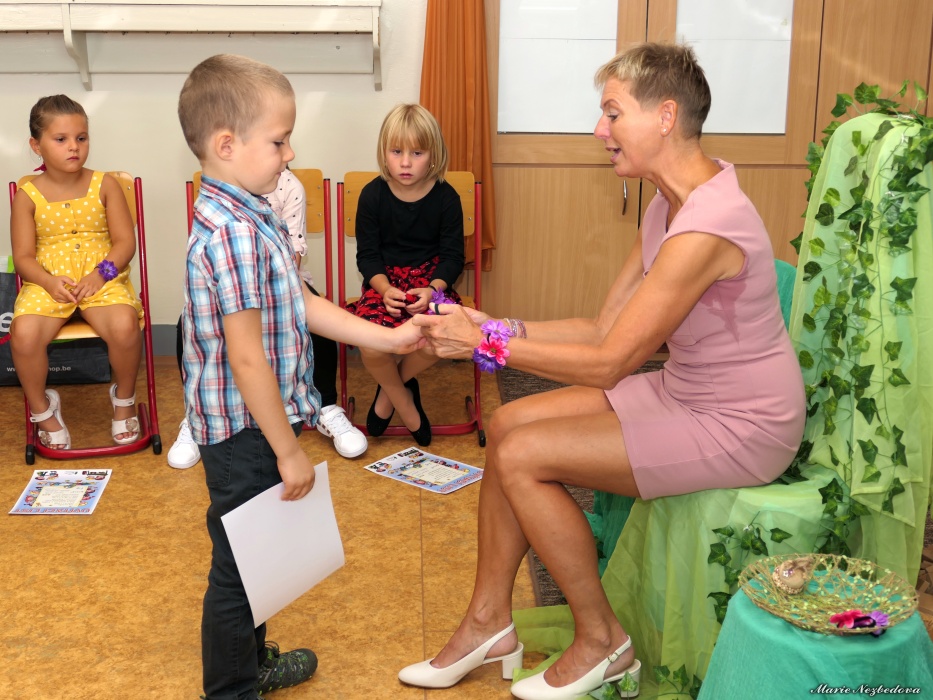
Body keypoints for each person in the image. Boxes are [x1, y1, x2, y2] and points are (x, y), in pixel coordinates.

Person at [404, 43, 807, 700]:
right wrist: (492, 327)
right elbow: (601, 327)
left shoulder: (709, 225)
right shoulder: (667, 203)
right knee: (506, 426)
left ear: (664, 116)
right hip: (686, 390)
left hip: (742, 422)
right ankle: (488, 622)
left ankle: (602, 641)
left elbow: (610, 360)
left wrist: (486, 346)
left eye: (612, 113)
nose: (599, 130)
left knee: (523, 456)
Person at [177, 54, 425, 700]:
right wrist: (288, 451)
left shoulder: (253, 211)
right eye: (279, 141)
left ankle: (249, 665)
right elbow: (246, 359)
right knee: (239, 568)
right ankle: (231, 689)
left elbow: (302, 303)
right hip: (244, 431)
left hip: (258, 421)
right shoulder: (232, 235)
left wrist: (389, 338)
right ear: (226, 145)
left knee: (257, 552)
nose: (290, 154)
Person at [167, 168, 367, 469]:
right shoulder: (221, 193)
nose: (287, 154)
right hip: (234, 283)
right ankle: (198, 416)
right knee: (187, 325)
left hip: (284, 281)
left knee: (317, 327)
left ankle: (325, 404)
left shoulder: (289, 185)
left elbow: (292, 253)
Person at [10, 95, 144, 450]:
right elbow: (23, 257)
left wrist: (101, 275)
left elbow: (125, 242)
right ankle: (43, 411)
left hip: (102, 278)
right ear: (36, 145)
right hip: (48, 282)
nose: (74, 146)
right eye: (61, 139)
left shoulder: (105, 185)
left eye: (81, 138)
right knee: (23, 334)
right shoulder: (27, 196)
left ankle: (124, 400)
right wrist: (47, 281)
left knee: (125, 326)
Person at [346, 103, 465, 447]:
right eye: (397, 152)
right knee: (370, 343)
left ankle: (389, 393)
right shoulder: (372, 195)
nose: (406, 162)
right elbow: (368, 257)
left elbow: (453, 257)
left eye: (417, 152)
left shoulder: (446, 198)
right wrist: (383, 289)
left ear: (434, 154)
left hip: (430, 283)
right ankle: (406, 402)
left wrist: (432, 289)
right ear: (384, 152)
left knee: (438, 336)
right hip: (384, 283)